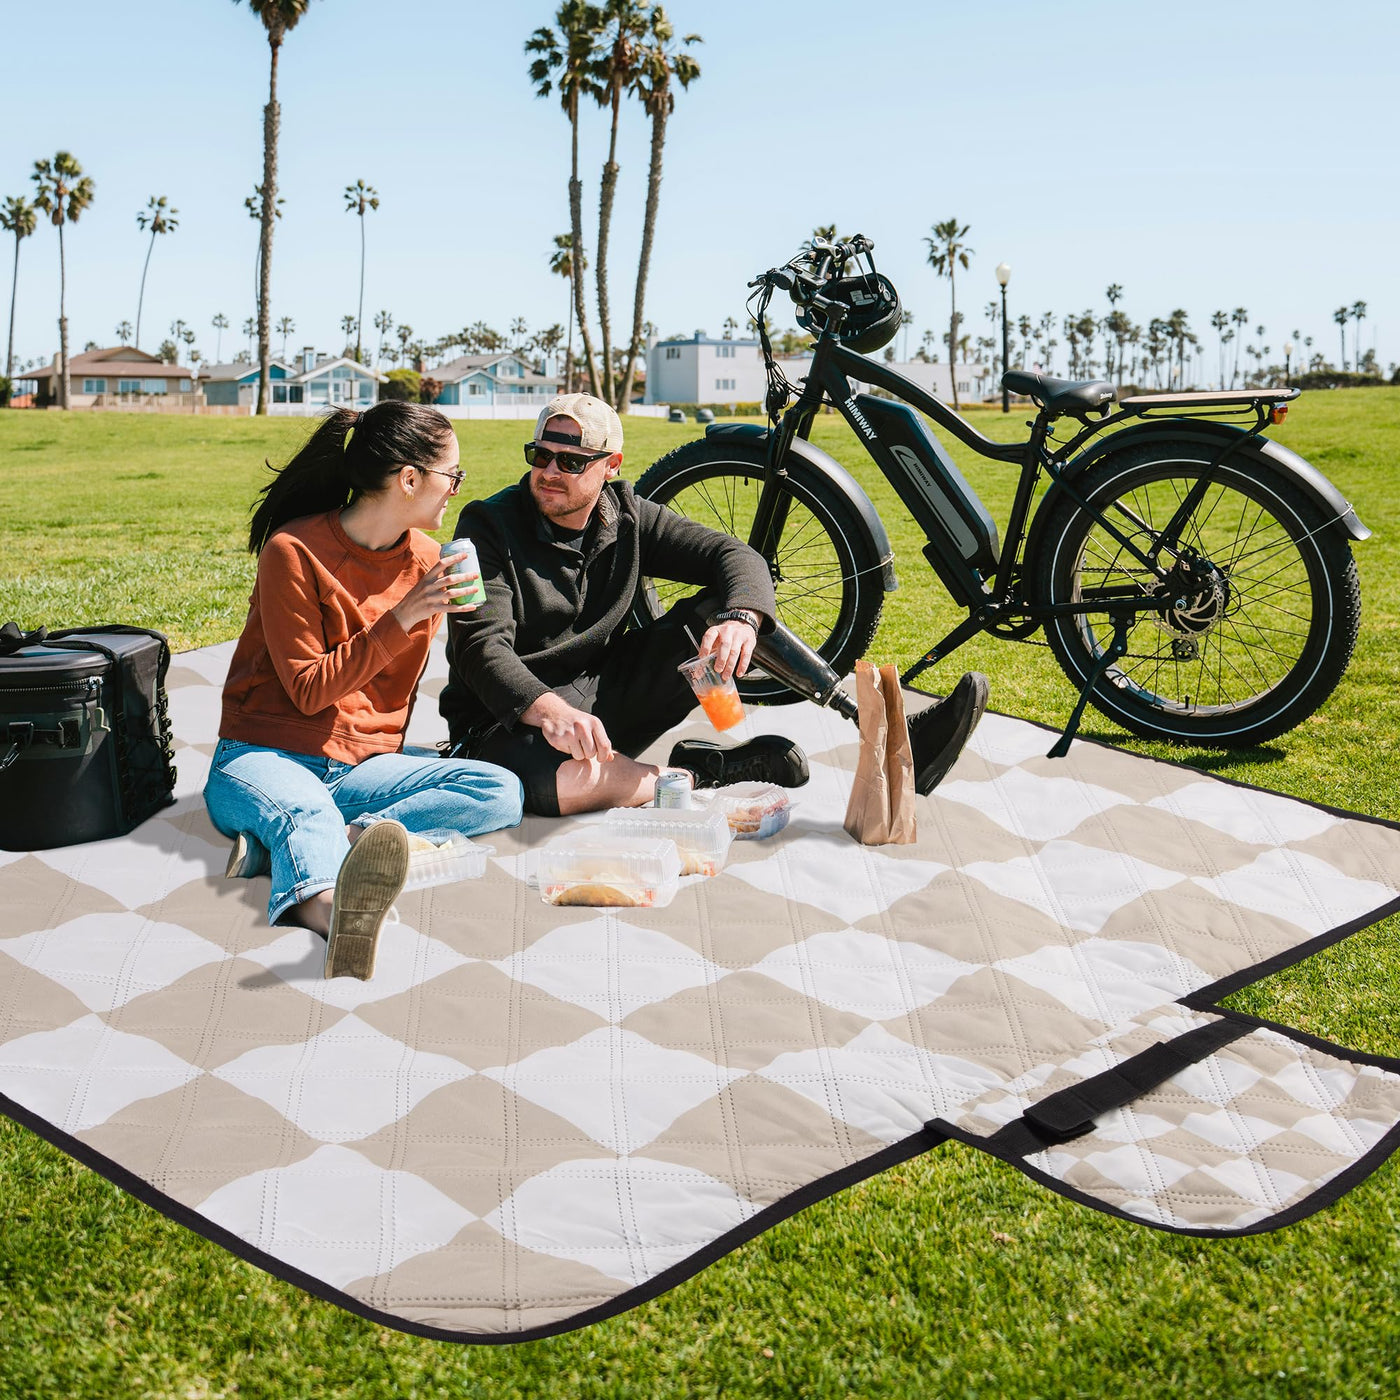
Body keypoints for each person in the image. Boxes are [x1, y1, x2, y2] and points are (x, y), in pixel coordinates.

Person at [439, 393, 988, 817]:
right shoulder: (488, 525)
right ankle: (700, 778)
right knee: (541, 784)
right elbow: (480, 648)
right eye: (541, 455)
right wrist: (549, 711)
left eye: (571, 461)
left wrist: (742, 620)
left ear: (610, 467)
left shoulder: (627, 515)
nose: (550, 472)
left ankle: (887, 732)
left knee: (723, 609)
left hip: (599, 705)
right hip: (507, 720)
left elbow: (734, 555)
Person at [204, 402, 524, 981]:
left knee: (498, 790)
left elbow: (407, 689)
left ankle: (306, 843)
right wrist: (404, 615)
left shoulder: (429, 561)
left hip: (359, 768)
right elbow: (308, 691)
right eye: (452, 475)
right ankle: (334, 914)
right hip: (261, 755)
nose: (456, 489)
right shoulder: (293, 552)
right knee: (303, 809)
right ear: (409, 479)